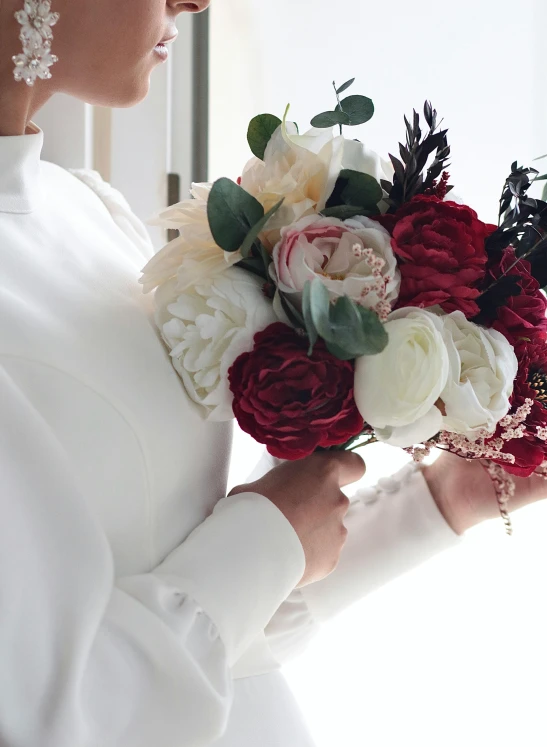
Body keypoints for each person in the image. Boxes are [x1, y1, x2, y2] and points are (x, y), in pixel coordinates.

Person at [0, 1, 545, 745]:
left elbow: (218, 636)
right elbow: (56, 719)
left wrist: (436, 500)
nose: (193, 2)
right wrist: (267, 531)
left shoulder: (82, 207)